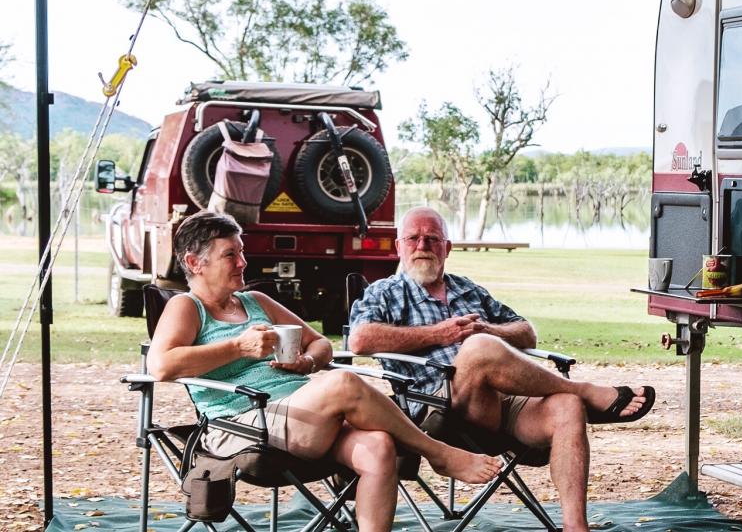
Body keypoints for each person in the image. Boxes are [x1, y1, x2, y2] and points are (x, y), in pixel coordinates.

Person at [147, 211, 502, 532]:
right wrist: (237, 347)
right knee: (345, 381)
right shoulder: (187, 307)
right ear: (195, 262)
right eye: (230, 254)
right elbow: (161, 365)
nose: (243, 261)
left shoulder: (257, 302)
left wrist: (305, 363)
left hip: (301, 415)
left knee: (378, 447)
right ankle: (438, 453)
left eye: (241, 251)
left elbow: (322, 345)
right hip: (242, 424)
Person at [348, 206, 656, 532]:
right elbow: (359, 340)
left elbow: (526, 332)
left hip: (503, 399)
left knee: (566, 406)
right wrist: (443, 334)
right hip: (438, 408)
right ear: (399, 247)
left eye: (432, 239)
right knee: (479, 349)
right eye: (413, 238)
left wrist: (489, 330)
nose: (422, 245)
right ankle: (588, 391)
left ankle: (575, 525)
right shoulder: (385, 292)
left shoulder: (468, 290)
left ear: (447, 248)